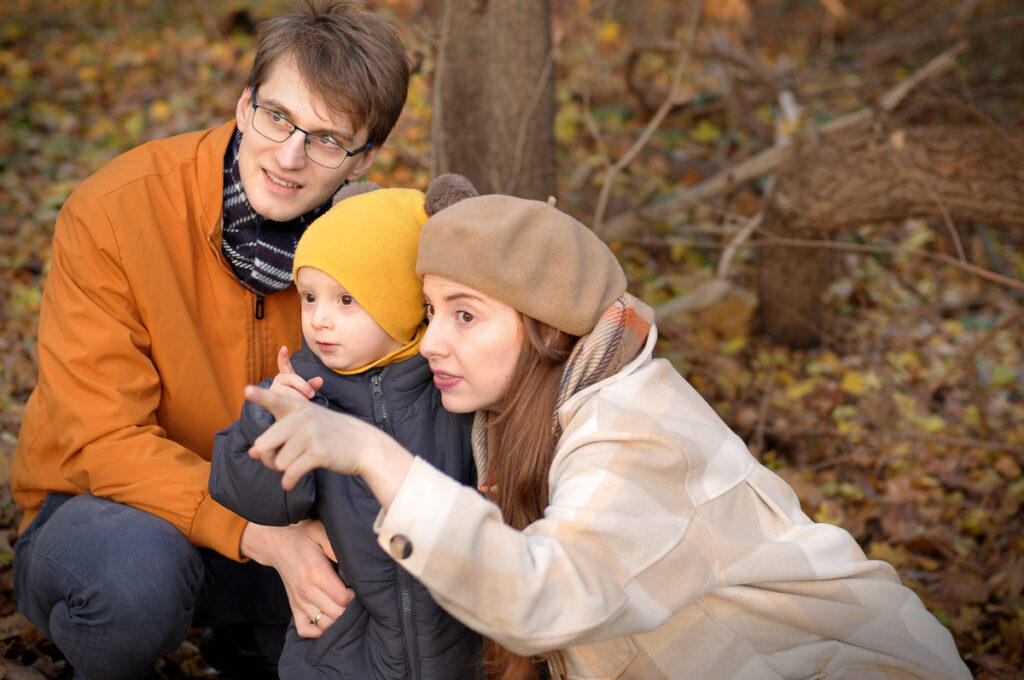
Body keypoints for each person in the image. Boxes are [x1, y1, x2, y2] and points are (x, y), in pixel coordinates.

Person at [243, 194, 973, 680]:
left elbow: (540, 598)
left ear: (543, 327)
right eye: (429, 311)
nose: (430, 341)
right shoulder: (508, 420)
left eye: (464, 315)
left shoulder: (637, 430)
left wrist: (373, 454)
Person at [10, 2, 410, 678]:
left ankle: (250, 637)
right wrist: (260, 538)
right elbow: (102, 441)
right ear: (244, 101)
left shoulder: (371, 248)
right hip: (109, 513)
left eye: (327, 139)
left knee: (394, 589)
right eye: (278, 117)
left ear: (363, 156)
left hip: (286, 510)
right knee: (134, 586)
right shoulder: (114, 211)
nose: (289, 156)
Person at [208, 179, 482, 679]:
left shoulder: (456, 391)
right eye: (309, 297)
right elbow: (261, 501)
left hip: (461, 648)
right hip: (344, 646)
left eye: (346, 300)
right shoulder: (303, 394)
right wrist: (268, 427)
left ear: (403, 299)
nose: (319, 320)